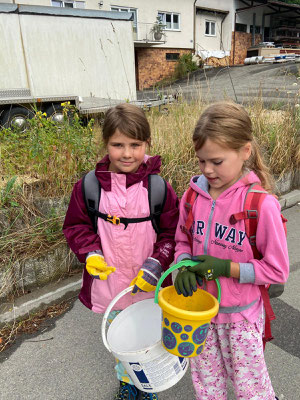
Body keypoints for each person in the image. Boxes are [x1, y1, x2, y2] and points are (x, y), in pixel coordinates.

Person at [63, 103, 179, 400]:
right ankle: (128, 381)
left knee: (151, 337)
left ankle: (148, 382)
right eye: (117, 145)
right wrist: (91, 253)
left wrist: (156, 266)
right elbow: (76, 227)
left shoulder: (159, 189)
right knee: (122, 340)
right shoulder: (88, 187)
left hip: (150, 287)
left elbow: (171, 234)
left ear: (147, 144)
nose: (127, 154)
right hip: (110, 289)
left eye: (135, 145)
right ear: (106, 144)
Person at [174, 101, 289, 400]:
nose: (207, 170)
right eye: (201, 161)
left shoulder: (261, 206)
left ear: (245, 152)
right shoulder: (191, 196)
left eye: (217, 161)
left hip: (241, 319)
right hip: (200, 315)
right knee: (207, 389)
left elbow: (277, 270)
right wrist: (183, 265)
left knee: (252, 391)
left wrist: (227, 268)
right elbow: (182, 241)